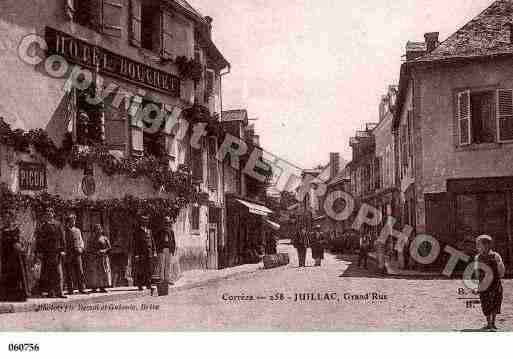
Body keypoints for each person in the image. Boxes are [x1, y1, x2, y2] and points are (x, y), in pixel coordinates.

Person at [474, 235, 505, 331]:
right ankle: (488, 323)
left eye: (479, 245)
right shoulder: (478, 257)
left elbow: (501, 268)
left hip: (495, 283)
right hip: (483, 284)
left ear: (486, 245)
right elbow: (477, 270)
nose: (477, 247)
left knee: (495, 301)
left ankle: (493, 323)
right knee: (485, 302)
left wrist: (499, 276)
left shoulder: (496, 256)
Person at [35, 208, 66, 299]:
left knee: (58, 273)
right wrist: (39, 252)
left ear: (53, 214)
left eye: (50, 212)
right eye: (47, 213)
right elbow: (39, 240)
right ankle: (51, 292)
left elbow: (62, 238)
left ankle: (60, 292)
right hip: (47, 253)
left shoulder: (58, 224)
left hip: (56, 251)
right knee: (49, 273)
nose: (48, 214)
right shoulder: (43, 226)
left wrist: (63, 250)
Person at [0, 210, 30, 302]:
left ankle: (18, 295)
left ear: (11, 218)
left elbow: (17, 241)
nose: (6, 219)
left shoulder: (15, 229)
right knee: (6, 274)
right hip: (5, 255)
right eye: (5, 217)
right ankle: (6, 295)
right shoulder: (2, 230)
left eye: (8, 217)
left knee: (16, 274)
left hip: (14, 256)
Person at [63, 214, 87, 295]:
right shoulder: (65, 231)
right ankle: (70, 289)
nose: (72, 222)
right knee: (69, 272)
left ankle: (82, 288)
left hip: (77, 252)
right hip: (69, 253)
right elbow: (63, 242)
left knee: (80, 271)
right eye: (71, 220)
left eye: (73, 220)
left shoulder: (78, 230)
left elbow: (81, 240)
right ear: (68, 221)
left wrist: (81, 248)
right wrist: (64, 251)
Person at [133, 215, 157, 294]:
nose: (145, 223)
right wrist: (136, 254)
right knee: (141, 270)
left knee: (149, 269)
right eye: (144, 222)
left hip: (149, 253)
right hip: (141, 254)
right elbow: (135, 244)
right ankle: (140, 285)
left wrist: (154, 252)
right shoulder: (138, 232)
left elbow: (152, 242)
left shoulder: (149, 231)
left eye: (146, 221)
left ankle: (148, 283)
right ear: (141, 223)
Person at [86, 224, 112, 293]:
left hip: (103, 257)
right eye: (96, 229)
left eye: (99, 229)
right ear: (94, 231)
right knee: (94, 273)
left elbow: (109, 248)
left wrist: (104, 250)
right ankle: (94, 287)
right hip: (94, 258)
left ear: (101, 230)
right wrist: (94, 252)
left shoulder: (105, 238)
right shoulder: (91, 239)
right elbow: (88, 248)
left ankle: (102, 287)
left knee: (103, 272)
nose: (98, 231)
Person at [156, 216, 176, 288]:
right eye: (165, 223)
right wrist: (158, 250)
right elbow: (157, 241)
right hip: (162, 249)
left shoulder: (171, 231)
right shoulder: (160, 231)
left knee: (168, 264)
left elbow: (173, 241)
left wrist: (173, 250)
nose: (166, 225)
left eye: (167, 223)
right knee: (162, 264)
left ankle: (167, 279)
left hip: (168, 249)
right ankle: (161, 279)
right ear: (163, 223)